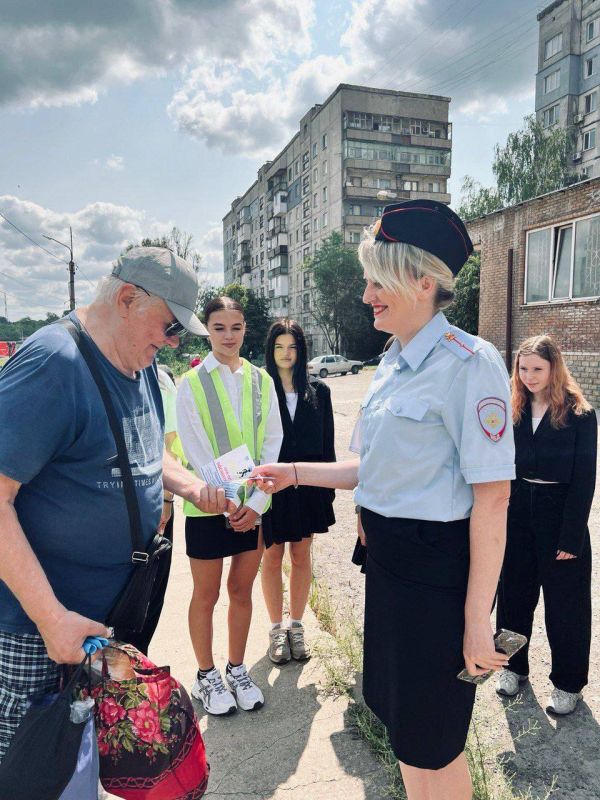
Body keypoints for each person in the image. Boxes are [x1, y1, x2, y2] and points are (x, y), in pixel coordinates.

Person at [250, 200, 516, 800]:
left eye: (377, 280)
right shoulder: (394, 362)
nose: (367, 294)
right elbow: (375, 468)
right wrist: (293, 472)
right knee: (405, 734)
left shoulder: (470, 365)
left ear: (423, 283)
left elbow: (493, 502)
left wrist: (477, 624)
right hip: (392, 570)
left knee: (436, 743)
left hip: (437, 579)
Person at [0, 246, 235, 762]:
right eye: (170, 326)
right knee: (27, 773)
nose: (172, 342)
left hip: (103, 623)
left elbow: (145, 457)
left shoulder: (141, 363)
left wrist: (195, 489)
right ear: (128, 298)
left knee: (80, 767)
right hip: (39, 632)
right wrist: (50, 618)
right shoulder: (53, 364)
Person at [176, 296, 283, 716]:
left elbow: (272, 442)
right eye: (219, 328)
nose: (228, 336)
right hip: (209, 507)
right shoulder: (193, 383)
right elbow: (195, 448)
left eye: (235, 327)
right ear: (207, 330)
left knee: (241, 590)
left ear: (245, 329)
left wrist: (257, 503)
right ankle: (206, 676)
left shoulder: (261, 381)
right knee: (206, 594)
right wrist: (228, 504)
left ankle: (236, 668)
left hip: (252, 508)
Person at [496, 335, 597, 715]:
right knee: (513, 597)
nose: (529, 376)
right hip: (518, 511)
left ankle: (568, 683)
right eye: (523, 369)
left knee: (566, 606)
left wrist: (572, 534)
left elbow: (585, 478)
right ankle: (511, 666)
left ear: (554, 368)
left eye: (537, 369)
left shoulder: (580, 415)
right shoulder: (512, 409)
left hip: (560, 514)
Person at [261, 319, 335, 664]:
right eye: (279, 347)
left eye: (291, 347)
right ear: (270, 350)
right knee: (272, 557)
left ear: (301, 350)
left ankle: (296, 625)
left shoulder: (319, 391)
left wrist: (327, 488)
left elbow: (328, 445)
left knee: (302, 556)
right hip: (273, 489)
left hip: (307, 486)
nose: (285, 354)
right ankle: (276, 629)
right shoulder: (261, 389)